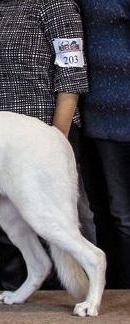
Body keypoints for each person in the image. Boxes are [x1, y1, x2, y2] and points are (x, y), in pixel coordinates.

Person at [0, 0, 95, 290]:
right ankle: (15, 293)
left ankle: (80, 292)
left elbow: (71, 77)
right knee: (6, 225)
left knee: (62, 221)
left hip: (41, 136)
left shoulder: (57, 5)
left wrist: (56, 141)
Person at [79, 0, 130, 288]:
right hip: (90, 114)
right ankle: (110, 289)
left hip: (123, 112)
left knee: (123, 215)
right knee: (101, 212)